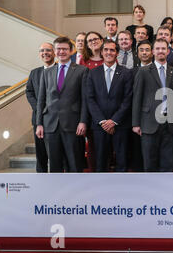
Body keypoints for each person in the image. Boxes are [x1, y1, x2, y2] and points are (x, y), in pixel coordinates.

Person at [36, 37, 89, 172]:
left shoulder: (81, 70)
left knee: (74, 164)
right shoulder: (47, 72)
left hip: (72, 124)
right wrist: (39, 124)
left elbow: (85, 99)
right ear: (54, 51)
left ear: (71, 51)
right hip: (50, 124)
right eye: (58, 49)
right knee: (54, 165)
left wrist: (83, 121)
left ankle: (76, 192)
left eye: (65, 49)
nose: (61, 52)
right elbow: (41, 100)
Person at [132, 39, 173, 172]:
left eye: (163, 48)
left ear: (168, 51)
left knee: (168, 163)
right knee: (150, 162)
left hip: (170, 124)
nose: (160, 51)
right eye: (158, 48)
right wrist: (135, 123)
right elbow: (137, 98)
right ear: (153, 51)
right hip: (149, 123)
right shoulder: (143, 71)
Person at [86, 39, 133, 172]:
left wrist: (114, 121)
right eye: (106, 50)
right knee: (100, 161)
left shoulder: (126, 73)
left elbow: (128, 99)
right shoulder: (92, 73)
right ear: (101, 52)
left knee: (122, 160)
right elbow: (90, 99)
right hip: (99, 126)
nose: (109, 52)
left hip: (120, 124)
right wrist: (102, 121)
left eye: (112, 50)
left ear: (117, 53)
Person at [26, 42, 55, 173]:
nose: (45, 53)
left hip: (55, 119)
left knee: (56, 154)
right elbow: (29, 92)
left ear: (54, 52)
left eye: (48, 50)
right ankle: (41, 180)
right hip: (39, 119)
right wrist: (38, 108)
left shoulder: (60, 70)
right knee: (41, 154)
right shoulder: (34, 73)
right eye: (42, 50)